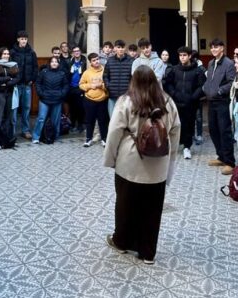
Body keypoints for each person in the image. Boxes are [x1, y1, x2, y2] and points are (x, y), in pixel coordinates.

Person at [103, 66, 180, 265]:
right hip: (158, 165)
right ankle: (148, 253)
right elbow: (175, 132)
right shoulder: (168, 102)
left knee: (125, 205)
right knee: (153, 210)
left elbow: (113, 133)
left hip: (129, 163)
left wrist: (110, 159)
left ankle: (122, 242)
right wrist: (170, 163)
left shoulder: (126, 101)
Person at [163, 46, 205, 160]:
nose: (182, 58)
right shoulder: (175, 69)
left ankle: (187, 147)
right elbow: (168, 83)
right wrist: (174, 93)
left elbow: (201, 86)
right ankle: (175, 145)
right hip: (176, 103)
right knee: (175, 125)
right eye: (180, 55)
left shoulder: (197, 70)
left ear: (190, 56)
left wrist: (193, 97)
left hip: (190, 103)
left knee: (189, 126)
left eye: (184, 55)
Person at [203, 38, 236, 175]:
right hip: (211, 101)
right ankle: (221, 156)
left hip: (222, 101)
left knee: (224, 131)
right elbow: (209, 80)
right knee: (213, 130)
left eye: (216, 47)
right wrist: (205, 88)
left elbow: (231, 82)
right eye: (212, 48)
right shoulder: (211, 63)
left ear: (222, 48)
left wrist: (219, 91)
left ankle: (230, 162)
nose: (213, 50)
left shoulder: (229, 64)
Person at [33, 56, 68, 144]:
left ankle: (55, 136)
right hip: (44, 99)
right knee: (41, 118)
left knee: (55, 120)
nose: (54, 63)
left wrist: (61, 94)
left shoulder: (62, 73)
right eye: (52, 61)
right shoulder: (43, 72)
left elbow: (66, 85)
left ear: (58, 64)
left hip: (57, 100)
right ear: (49, 63)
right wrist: (41, 93)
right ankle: (36, 137)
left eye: (56, 62)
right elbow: (38, 83)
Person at [10, 31, 38, 139]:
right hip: (16, 85)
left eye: (25, 39)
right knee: (14, 109)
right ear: (18, 40)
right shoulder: (12, 52)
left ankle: (25, 130)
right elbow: (9, 67)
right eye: (22, 39)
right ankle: (12, 132)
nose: (24, 41)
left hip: (27, 85)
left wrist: (32, 80)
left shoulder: (31, 52)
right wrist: (13, 81)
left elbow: (35, 68)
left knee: (26, 108)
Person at [0, 47, 19, 149]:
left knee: (8, 118)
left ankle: (6, 140)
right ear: (0, 55)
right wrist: (7, 78)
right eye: (4, 54)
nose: (6, 56)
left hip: (9, 93)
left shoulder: (13, 65)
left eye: (7, 54)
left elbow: (17, 78)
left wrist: (6, 83)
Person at [79, 52, 109, 147]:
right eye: (94, 60)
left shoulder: (105, 71)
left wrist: (102, 85)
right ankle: (88, 139)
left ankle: (104, 139)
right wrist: (89, 86)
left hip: (102, 100)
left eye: (97, 59)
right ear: (90, 62)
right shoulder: (87, 72)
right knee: (89, 120)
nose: (96, 61)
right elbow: (81, 85)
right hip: (89, 100)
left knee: (103, 121)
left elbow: (109, 84)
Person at [104, 39, 134, 118]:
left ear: (125, 48)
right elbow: (105, 75)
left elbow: (134, 77)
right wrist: (108, 86)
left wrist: (130, 89)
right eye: (118, 47)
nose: (120, 49)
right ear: (115, 48)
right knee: (113, 119)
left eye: (122, 47)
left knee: (126, 120)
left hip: (126, 96)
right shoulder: (110, 61)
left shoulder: (131, 60)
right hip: (112, 95)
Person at [66, 46, 86, 133]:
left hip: (80, 87)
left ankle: (80, 125)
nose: (76, 52)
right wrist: (70, 72)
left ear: (80, 52)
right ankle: (73, 124)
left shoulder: (85, 61)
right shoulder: (69, 62)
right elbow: (67, 75)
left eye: (78, 51)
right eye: (74, 51)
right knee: (72, 107)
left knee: (80, 107)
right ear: (73, 53)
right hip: (71, 87)